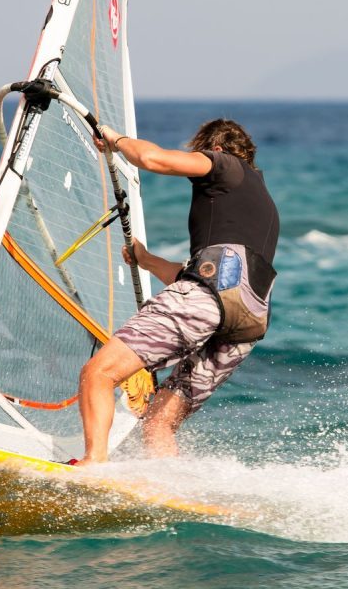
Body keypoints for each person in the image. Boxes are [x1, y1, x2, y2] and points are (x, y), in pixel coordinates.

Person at [76, 119, 279, 463]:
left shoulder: (223, 164)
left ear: (213, 149)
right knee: (159, 421)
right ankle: (168, 485)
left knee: (98, 373)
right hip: (246, 322)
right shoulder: (259, 199)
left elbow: (153, 159)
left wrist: (116, 140)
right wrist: (146, 259)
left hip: (207, 301)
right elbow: (215, 280)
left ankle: (93, 464)